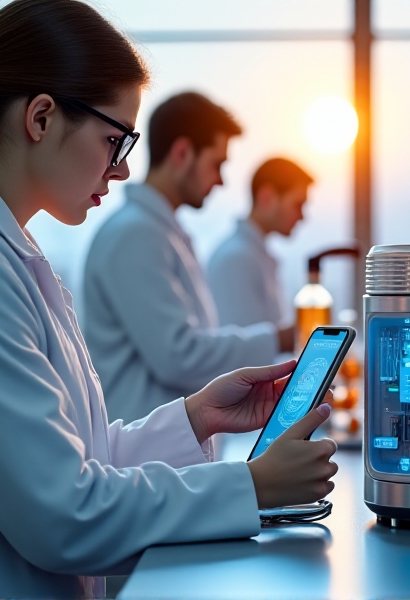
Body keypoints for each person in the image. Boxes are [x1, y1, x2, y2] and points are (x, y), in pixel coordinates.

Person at [0, 1, 337, 597]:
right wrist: (251, 488)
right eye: (114, 140)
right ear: (40, 117)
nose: (121, 170)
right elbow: (61, 515)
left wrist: (196, 419)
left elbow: (70, 459)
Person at [83, 93, 294, 423]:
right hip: (143, 456)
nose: (221, 180)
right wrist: (280, 338)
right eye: (217, 164)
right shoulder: (135, 235)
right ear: (182, 153)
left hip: (165, 451)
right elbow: (178, 356)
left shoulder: (160, 232)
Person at [207, 157, 313, 328]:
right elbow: (245, 350)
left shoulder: (251, 255)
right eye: (297, 205)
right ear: (266, 197)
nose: (302, 216)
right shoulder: (236, 260)